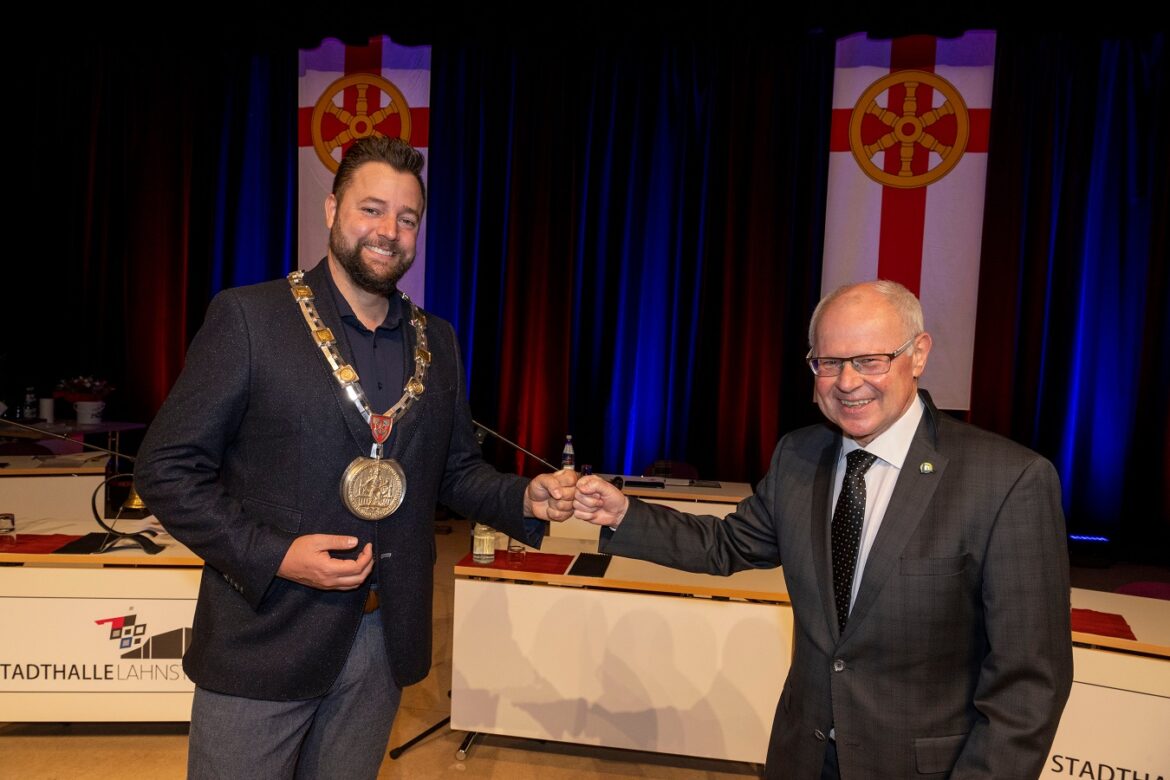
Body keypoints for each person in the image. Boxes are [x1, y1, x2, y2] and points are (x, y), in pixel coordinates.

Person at [134, 136, 577, 779]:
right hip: (263, 636)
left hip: (380, 642)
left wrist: (523, 497)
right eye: (372, 209)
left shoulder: (438, 340)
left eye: (407, 218)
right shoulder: (249, 318)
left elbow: (453, 470)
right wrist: (277, 556)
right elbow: (165, 469)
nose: (389, 231)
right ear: (331, 209)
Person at [574, 280, 1072, 779]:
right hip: (802, 758)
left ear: (918, 354)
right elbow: (724, 545)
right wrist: (621, 513)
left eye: (870, 360)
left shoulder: (1008, 480)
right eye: (829, 363)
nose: (847, 382)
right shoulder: (799, 454)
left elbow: (1028, 684)